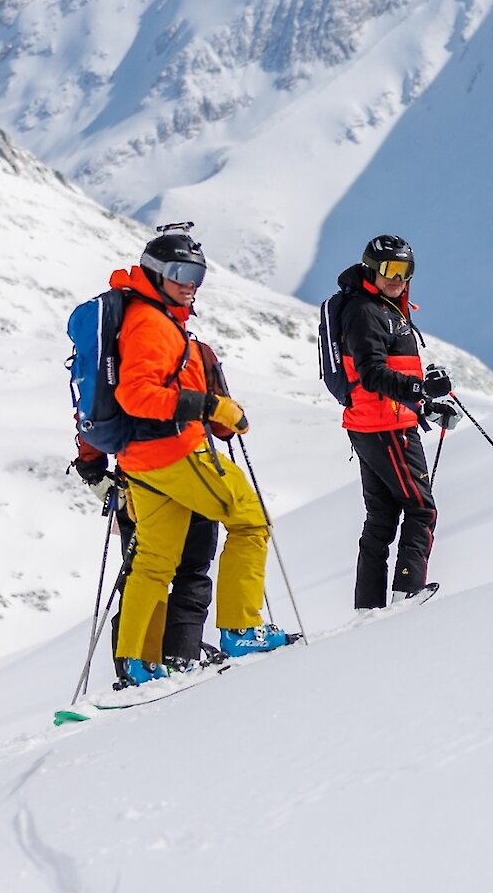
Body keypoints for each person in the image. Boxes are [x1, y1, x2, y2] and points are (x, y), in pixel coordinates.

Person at [107, 227, 294, 685]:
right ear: (155, 273)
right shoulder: (151, 323)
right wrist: (210, 407)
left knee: (153, 560)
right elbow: (136, 395)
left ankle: (138, 661)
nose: (189, 282)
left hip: (140, 461)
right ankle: (241, 629)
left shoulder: (145, 315)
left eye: (197, 274)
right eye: (179, 272)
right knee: (251, 522)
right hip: (173, 450)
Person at [332, 234, 459, 609]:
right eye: (390, 270)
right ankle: (407, 592)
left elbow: (389, 373)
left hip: (375, 422)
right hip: (384, 426)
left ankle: (368, 606)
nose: (398, 278)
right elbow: (372, 373)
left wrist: (425, 406)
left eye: (406, 271)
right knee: (422, 509)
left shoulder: (387, 308)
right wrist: (421, 390)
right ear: (372, 269)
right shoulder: (365, 311)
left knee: (381, 518)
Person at [71, 440, 222, 681]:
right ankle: (180, 656)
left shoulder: (108, 399)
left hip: (134, 482)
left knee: (140, 576)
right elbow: (223, 424)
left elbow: (91, 423)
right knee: (191, 573)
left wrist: (94, 473)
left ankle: (135, 665)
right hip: (192, 472)